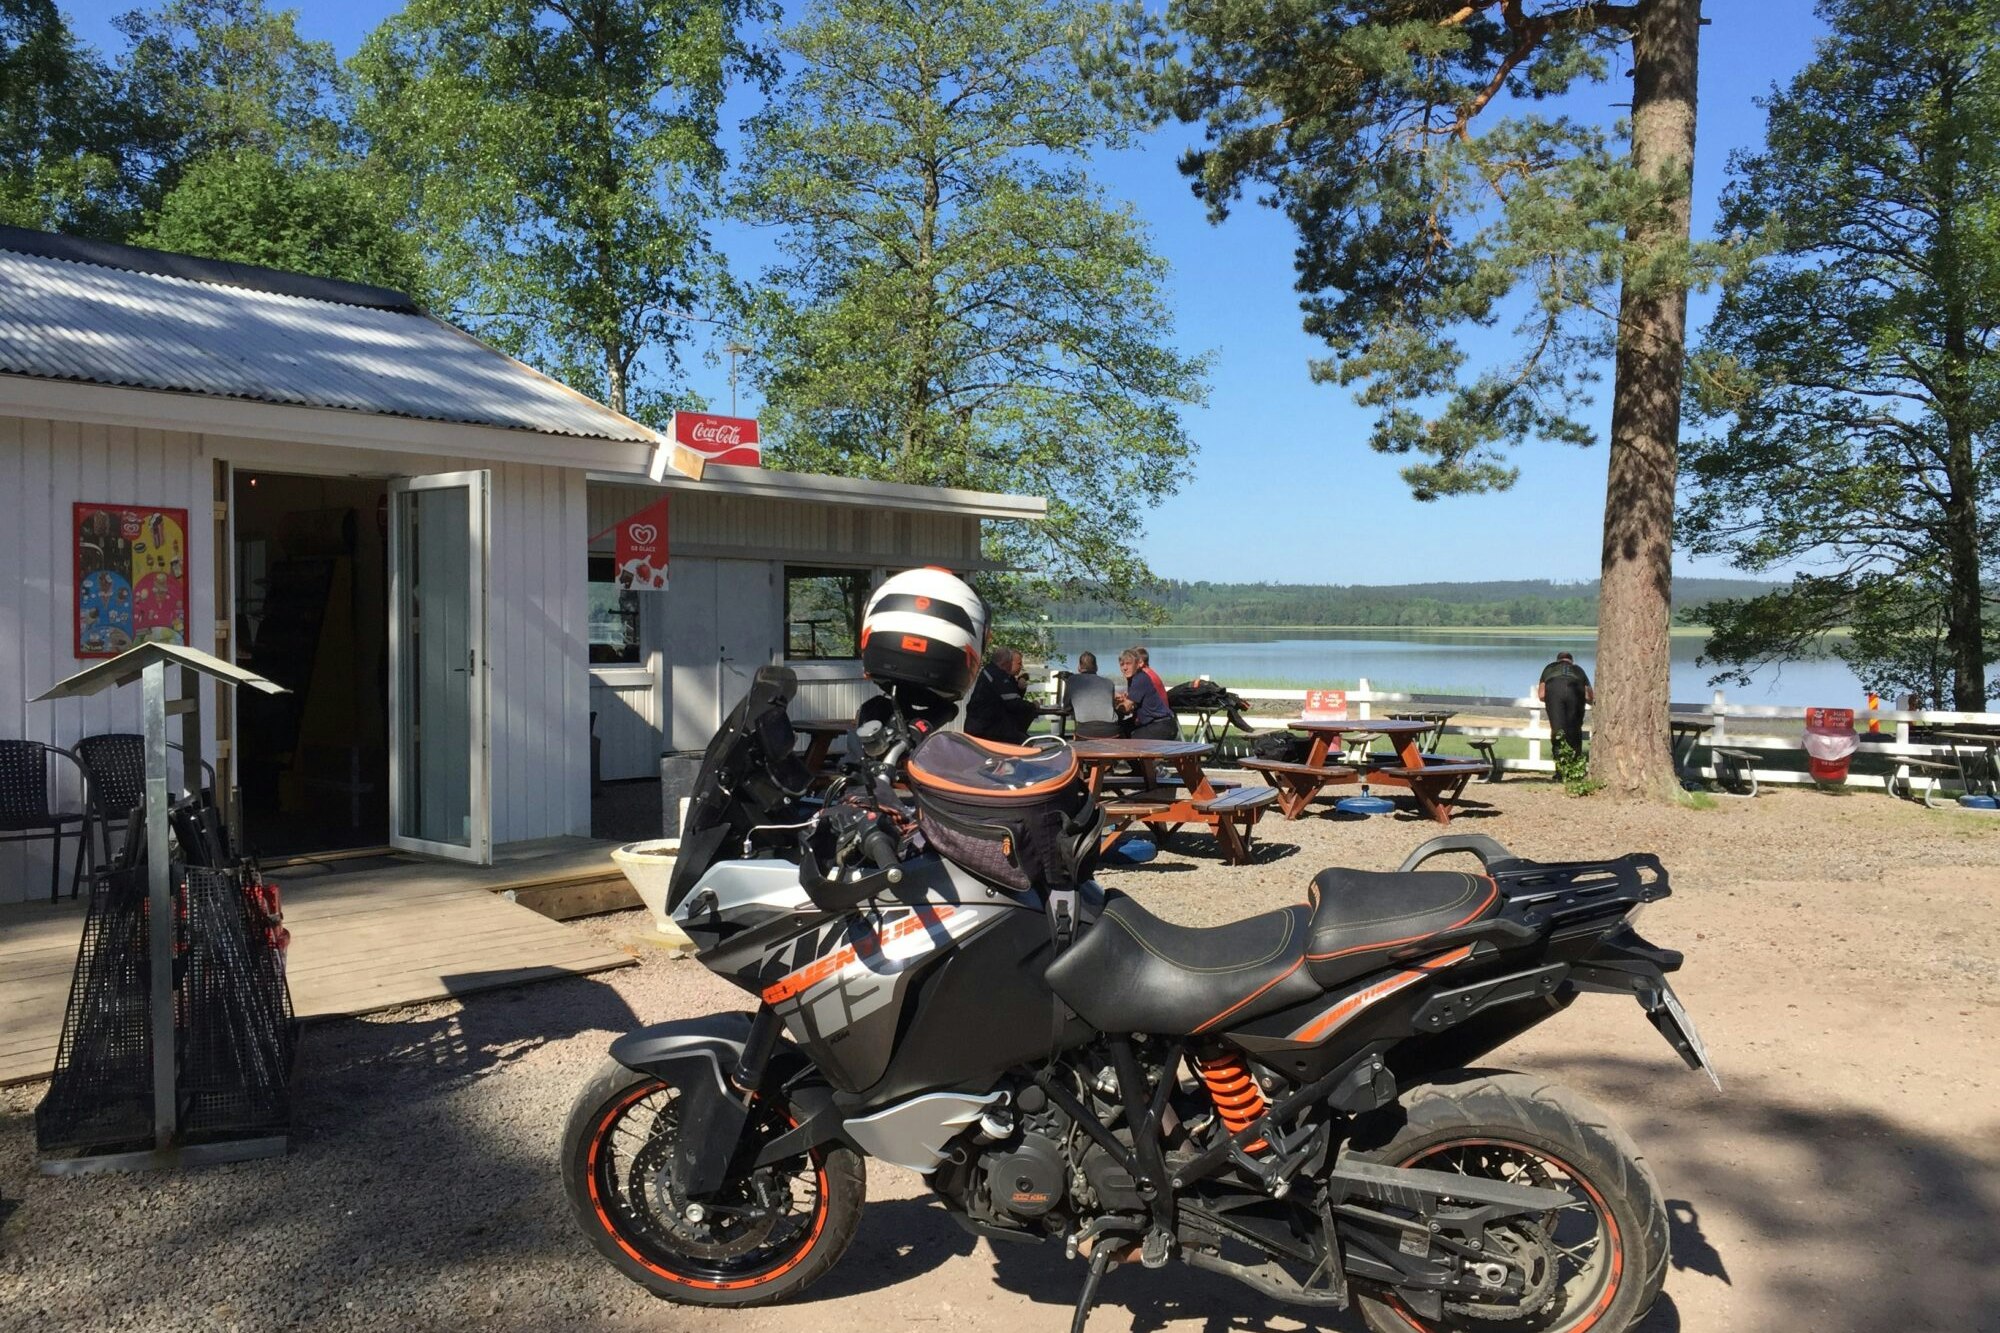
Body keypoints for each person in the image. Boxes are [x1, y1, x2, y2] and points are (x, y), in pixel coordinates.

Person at [965, 646, 1037, 744]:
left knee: (1022, 737)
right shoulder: (997, 675)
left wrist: (1021, 687)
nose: (1021, 666)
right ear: (1005, 663)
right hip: (985, 727)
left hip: (983, 724)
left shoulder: (991, 671)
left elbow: (1012, 697)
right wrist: (1033, 706)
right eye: (1011, 661)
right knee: (1026, 743)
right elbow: (1014, 703)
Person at [1537, 651, 1595, 758]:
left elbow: (1541, 695)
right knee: (1575, 730)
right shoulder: (1578, 670)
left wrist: (1554, 700)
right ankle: (1574, 766)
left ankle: (1560, 769)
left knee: (1558, 731)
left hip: (1554, 691)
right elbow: (1589, 696)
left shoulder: (1549, 668)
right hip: (1575, 691)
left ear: (1557, 660)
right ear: (1571, 661)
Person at [1116, 647, 1177, 740]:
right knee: (1117, 729)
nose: (1125, 668)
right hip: (1155, 723)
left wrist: (1112, 705)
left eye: (1128, 664)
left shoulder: (1139, 679)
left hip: (1161, 725)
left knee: (1131, 743)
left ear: (1137, 664)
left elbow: (1126, 708)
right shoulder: (1133, 678)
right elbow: (1133, 705)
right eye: (1122, 664)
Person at [1063, 653, 1121, 739]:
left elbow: (1066, 707)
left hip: (1085, 732)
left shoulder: (1072, 681)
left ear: (1079, 667)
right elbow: (1111, 707)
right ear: (1096, 667)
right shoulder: (1109, 683)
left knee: (1077, 733)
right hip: (1111, 731)